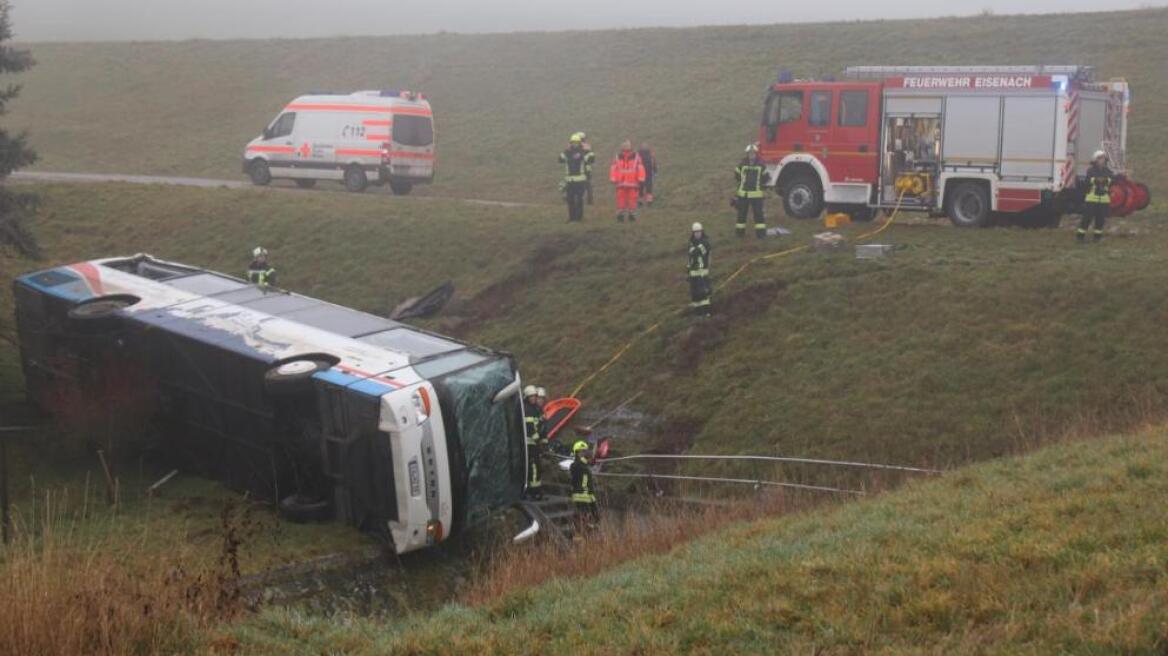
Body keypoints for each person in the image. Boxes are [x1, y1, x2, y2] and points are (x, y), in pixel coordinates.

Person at [1078, 150, 1117, 243]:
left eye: (1103, 158)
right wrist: (1098, 180)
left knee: (1100, 220)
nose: (1102, 160)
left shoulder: (1107, 171)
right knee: (1086, 219)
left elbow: (1112, 180)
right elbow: (1089, 180)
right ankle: (1080, 237)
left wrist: (1104, 180)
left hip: (1104, 200)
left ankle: (1097, 238)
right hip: (1092, 198)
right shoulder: (1091, 170)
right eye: (1100, 158)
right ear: (1095, 160)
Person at [735, 144, 771, 239]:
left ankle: (761, 235)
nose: (752, 155)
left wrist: (759, 185)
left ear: (756, 154)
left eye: (753, 153)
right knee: (741, 216)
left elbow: (766, 177)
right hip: (743, 195)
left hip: (756, 195)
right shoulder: (742, 164)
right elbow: (737, 175)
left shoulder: (761, 164)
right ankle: (739, 234)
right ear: (747, 154)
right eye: (750, 153)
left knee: (759, 216)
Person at [559, 134, 594, 222]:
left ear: (580, 143)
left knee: (579, 200)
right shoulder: (567, 152)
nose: (574, 144)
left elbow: (592, 158)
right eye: (573, 143)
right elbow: (559, 159)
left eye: (576, 143)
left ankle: (578, 218)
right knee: (570, 200)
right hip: (570, 180)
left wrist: (589, 150)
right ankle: (571, 218)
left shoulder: (583, 152)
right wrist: (566, 150)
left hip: (580, 180)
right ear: (570, 143)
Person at [609, 140, 646, 223]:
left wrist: (641, 178)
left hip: (633, 183)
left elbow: (640, 167)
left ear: (630, 146)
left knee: (632, 199)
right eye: (624, 145)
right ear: (622, 146)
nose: (626, 147)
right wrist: (613, 178)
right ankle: (620, 215)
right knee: (620, 199)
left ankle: (632, 215)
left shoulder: (636, 156)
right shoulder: (617, 156)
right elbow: (613, 168)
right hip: (621, 183)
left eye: (627, 145)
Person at [522, 385, 547, 500]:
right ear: (527, 397)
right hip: (529, 444)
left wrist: (544, 443)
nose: (534, 398)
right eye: (531, 396)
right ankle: (533, 491)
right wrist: (538, 441)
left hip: (535, 444)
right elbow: (530, 428)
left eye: (534, 396)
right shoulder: (526, 409)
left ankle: (536, 490)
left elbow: (540, 428)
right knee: (533, 466)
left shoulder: (536, 409)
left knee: (537, 466)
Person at [570, 439, 599, 534]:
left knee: (594, 518)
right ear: (577, 453)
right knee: (582, 519)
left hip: (588, 497)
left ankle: (587, 533)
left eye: (585, 451)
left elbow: (589, 486)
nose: (585, 453)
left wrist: (593, 501)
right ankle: (582, 533)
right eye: (583, 451)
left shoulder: (585, 466)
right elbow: (578, 466)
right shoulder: (576, 466)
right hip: (581, 498)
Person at [687, 222, 712, 316]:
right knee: (695, 295)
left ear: (702, 232)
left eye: (699, 232)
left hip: (702, 273)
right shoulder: (691, 243)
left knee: (703, 294)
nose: (697, 234)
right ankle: (698, 314)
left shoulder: (705, 242)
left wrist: (692, 250)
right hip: (693, 273)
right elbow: (689, 258)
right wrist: (688, 271)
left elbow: (696, 252)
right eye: (695, 232)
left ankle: (707, 313)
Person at [637, 141, 658, 206]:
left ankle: (648, 201)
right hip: (642, 173)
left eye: (645, 146)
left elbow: (653, 162)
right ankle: (641, 201)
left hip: (647, 173)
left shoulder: (649, 154)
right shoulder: (638, 155)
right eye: (644, 146)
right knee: (641, 187)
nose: (644, 147)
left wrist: (655, 170)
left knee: (648, 187)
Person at [579, 132, 596, 206]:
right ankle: (590, 201)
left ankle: (580, 199)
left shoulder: (576, 146)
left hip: (579, 169)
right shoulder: (587, 146)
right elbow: (592, 159)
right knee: (588, 185)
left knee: (580, 185)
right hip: (587, 169)